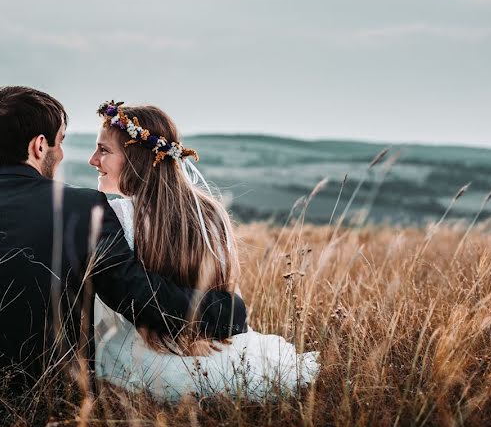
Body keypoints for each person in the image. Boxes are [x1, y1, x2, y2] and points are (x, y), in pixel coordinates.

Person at [0, 87, 247, 395]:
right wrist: (225, 311)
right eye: (61, 141)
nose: (67, 153)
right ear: (40, 146)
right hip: (46, 383)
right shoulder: (83, 207)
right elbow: (141, 298)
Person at [89, 101, 320, 402]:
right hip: (214, 351)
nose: (93, 160)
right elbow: (222, 289)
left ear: (134, 158)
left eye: (104, 150)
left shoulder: (115, 216)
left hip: (138, 361)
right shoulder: (211, 212)